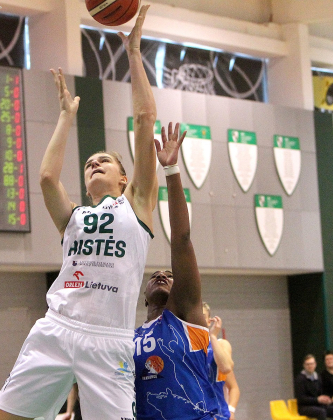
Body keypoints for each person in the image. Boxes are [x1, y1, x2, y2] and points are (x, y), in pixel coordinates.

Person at [0, 6, 158, 420]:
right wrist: (66, 117)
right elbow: (47, 177)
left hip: (109, 340)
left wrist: (133, 54)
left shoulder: (137, 204)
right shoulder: (74, 217)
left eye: (105, 161)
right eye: (89, 163)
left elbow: (144, 119)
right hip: (57, 328)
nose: (94, 163)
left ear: (124, 177)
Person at [133, 123, 219, 419]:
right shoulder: (129, 336)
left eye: (169, 275)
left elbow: (181, 241)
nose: (161, 276)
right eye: (154, 276)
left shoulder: (186, 314)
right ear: (144, 296)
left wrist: (170, 172)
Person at [203, 303, 240, 420]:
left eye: (202, 316)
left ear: (209, 321)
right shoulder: (182, 347)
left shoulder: (220, 344)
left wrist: (231, 411)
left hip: (218, 414)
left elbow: (233, 384)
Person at [294, 354, 333, 420]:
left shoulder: (317, 377)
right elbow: (301, 399)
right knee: (321, 412)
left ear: (315, 364)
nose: (310, 366)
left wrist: (326, 399)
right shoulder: (300, 379)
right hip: (305, 407)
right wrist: (317, 400)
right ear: (304, 365)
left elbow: (321, 393)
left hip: (318, 405)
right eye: (307, 364)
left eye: (312, 364)